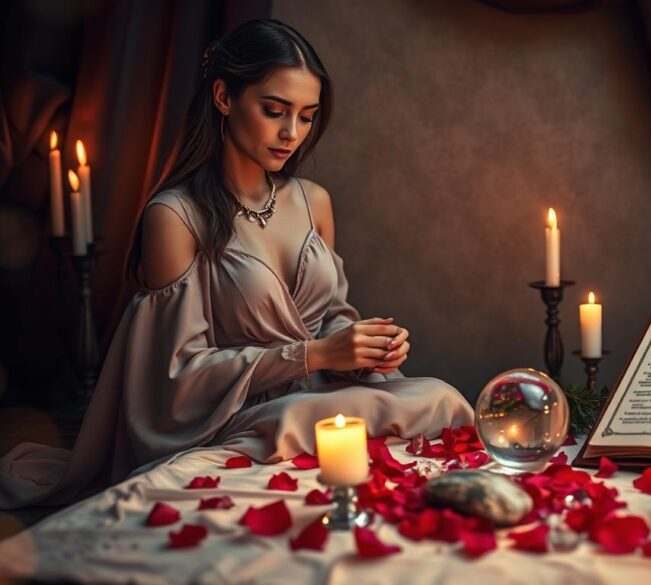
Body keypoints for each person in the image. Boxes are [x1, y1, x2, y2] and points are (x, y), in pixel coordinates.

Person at [0, 19, 473, 509]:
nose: (292, 133)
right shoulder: (175, 216)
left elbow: (333, 314)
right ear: (224, 97)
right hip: (230, 414)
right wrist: (313, 356)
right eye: (275, 111)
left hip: (327, 396)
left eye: (307, 116)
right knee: (305, 419)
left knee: (439, 396)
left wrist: (368, 348)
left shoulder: (315, 201)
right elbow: (175, 380)